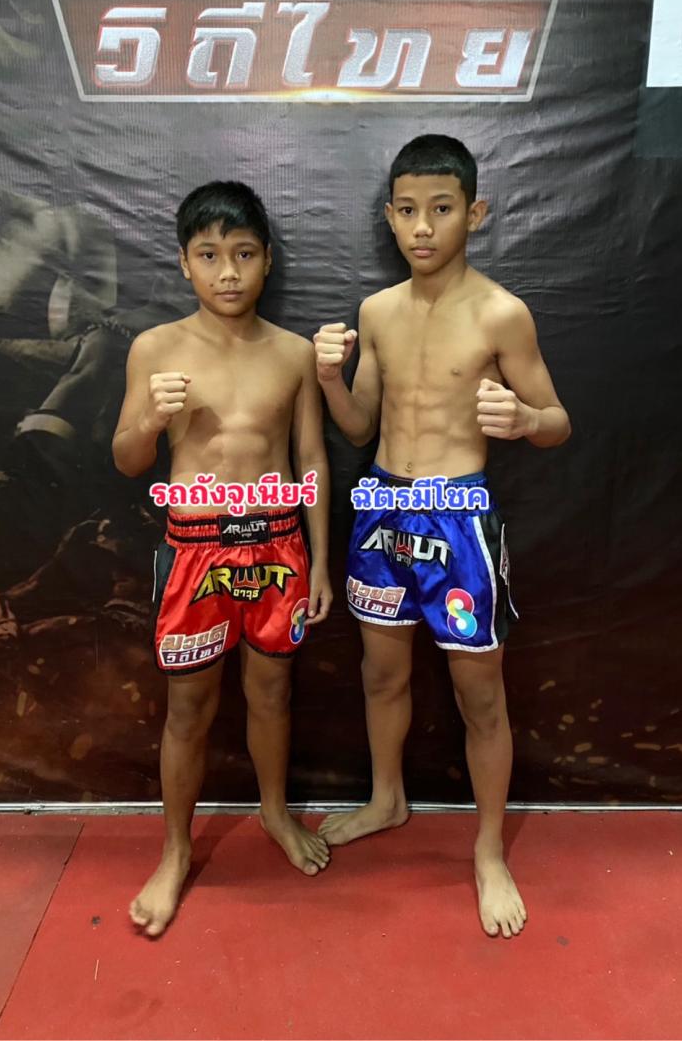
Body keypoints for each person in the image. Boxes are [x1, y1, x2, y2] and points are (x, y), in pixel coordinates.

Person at [314, 135, 571, 939]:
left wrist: (524, 419)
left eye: (441, 208)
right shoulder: (377, 312)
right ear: (389, 216)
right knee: (381, 674)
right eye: (407, 210)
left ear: (475, 212)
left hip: (457, 517)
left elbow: (558, 420)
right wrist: (328, 378)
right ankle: (387, 797)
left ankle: (489, 850)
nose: (422, 227)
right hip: (383, 509)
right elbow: (359, 424)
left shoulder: (501, 313)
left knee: (480, 694)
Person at [113, 181, 332, 937]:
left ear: (267, 259)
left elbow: (312, 459)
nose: (228, 271)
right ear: (184, 263)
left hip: (278, 544)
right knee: (188, 708)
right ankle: (175, 850)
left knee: (272, 694)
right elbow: (127, 458)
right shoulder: (155, 348)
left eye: (243, 254)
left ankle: (273, 812)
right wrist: (151, 417)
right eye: (209, 255)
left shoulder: (294, 353)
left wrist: (321, 561)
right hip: (195, 548)